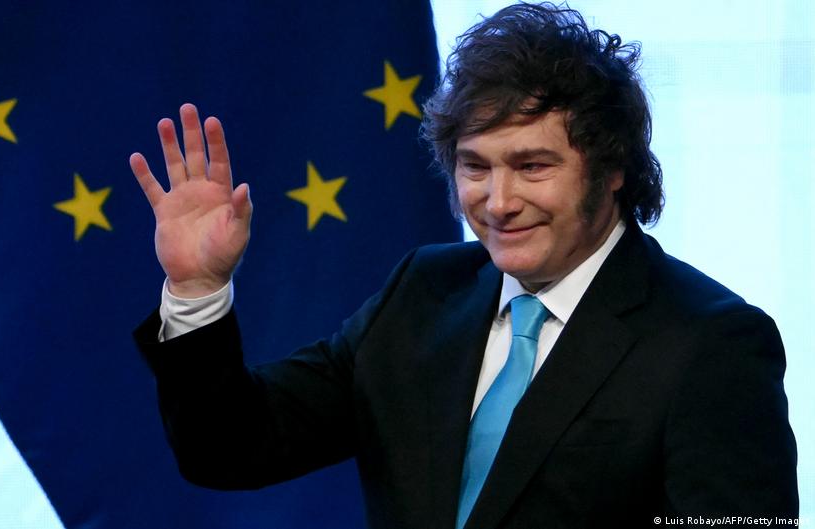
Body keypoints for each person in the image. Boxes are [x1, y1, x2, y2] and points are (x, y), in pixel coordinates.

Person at [130, 3, 798, 528]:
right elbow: (231, 448)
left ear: (613, 168)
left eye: (532, 166)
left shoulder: (713, 345)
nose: (498, 202)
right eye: (475, 166)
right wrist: (197, 288)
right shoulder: (423, 293)